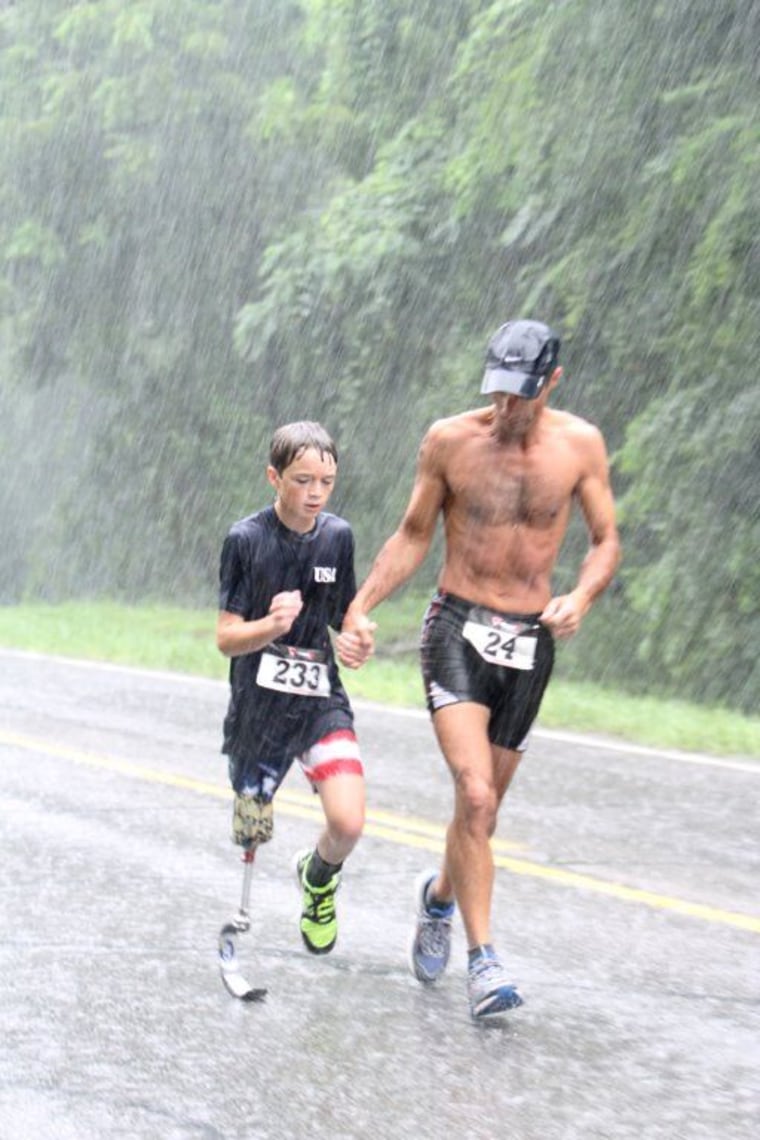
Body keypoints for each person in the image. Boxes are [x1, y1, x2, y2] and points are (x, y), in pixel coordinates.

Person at [339, 319, 620, 1021]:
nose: (505, 409)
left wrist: (580, 596)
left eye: (520, 397)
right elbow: (412, 534)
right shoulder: (450, 441)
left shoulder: (579, 446)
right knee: (476, 793)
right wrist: (361, 606)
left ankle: (438, 897)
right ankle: (485, 961)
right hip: (459, 626)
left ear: (551, 384)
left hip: (530, 640)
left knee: (480, 810)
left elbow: (606, 541)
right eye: (496, 393)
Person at [217, 421, 371, 956]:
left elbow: (343, 614)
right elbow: (226, 639)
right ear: (273, 477)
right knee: (252, 829)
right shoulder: (245, 541)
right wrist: (269, 628)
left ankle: (319, 878)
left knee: (348, 822)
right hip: (258, 711)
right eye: (303, 480)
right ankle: (241, 920)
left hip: (319, 702)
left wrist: (355, 635)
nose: (315, 494)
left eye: (326, 482)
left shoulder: (337, 537)